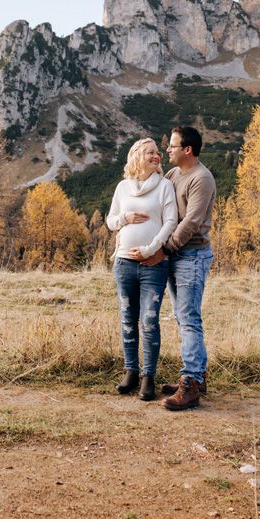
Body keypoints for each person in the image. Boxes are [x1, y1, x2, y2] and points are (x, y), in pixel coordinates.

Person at [106, 138, 178, 401]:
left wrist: (151, 249)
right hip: (124, 263)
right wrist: (126, 218)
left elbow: (170, 222)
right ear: (137, 156)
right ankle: (131, 372)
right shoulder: (123, 188)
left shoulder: (164, 187)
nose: (157, 155)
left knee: (148, 321)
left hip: (153, 265)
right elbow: (111, 221)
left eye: (158, 152)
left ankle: (149, 376)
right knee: (127, 319)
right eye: (151, 152)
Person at [160, 126, 216, 411]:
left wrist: (165, 248)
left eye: (172, 146)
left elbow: (191, 221)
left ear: (187, 150)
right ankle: (196, 377)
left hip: (191, 255)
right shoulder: (173, 175)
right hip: (175, 255)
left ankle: (191, 384)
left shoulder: (201, 178)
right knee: (183, 318)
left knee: (189, 318)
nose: (167, 150)